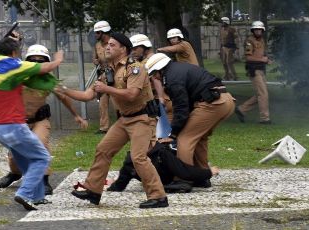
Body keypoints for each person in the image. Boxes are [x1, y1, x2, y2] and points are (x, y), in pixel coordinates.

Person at [62, 32, 168, 209]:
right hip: (125, 119)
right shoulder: (109, 71)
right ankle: (93, 190)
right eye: (107, 45)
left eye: (112, 45)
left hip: (142, 118)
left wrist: (106, 89)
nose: (107, 47)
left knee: (138, 157)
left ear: (123, 49)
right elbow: (88, 95)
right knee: (103, 149)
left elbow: (132, 95)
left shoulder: (135, 68)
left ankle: (158, 196)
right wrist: (64, 90)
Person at [0, 17, 63, 210]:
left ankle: (37, 196)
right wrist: (59, 59)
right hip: (14, 125)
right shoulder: (15, 65)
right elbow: (45, 67)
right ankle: (24, 193)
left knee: (27, 160)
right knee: (41, 158)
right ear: (14, 53)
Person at [0, 44, 89, 194]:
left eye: (41, 61)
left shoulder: (48, 80)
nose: (37, 64)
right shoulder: (19, 75)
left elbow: (63, 97)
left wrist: (76, 115)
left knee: (41, 146)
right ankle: (15, 173)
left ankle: (44, 179)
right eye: (33, 60)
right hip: (19, 122)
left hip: (39, 119)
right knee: (14, 152)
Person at [145, 53, 235, 193]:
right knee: (199, 137)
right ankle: (202, 176)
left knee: (185, 138)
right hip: (225, 100)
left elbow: (181, 108)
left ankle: (183, 180)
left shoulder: (172, 79)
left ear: (159, 70)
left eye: (153, 74)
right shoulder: (177, 69)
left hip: (212, 103)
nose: (154, 78)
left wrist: (174, 133)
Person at [235, 21, 272, 124]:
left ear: (262, 30)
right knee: (263, 94)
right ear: (253, 30)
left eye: (260, 29)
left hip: (261, 69)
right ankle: (265, 119)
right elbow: (248, 57)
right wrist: (263, 59)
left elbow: (261, 56)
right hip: (254, 70)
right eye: (256, 29)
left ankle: (241, 109)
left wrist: (267, 60)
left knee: (260, 94)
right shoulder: (249, 41)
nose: (258, 31)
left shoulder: (262, 40)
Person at [92, 21, 112, 134]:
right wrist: (95, 61)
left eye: (97, 32)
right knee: (102, 102)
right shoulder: (97, 45)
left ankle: (123, 124)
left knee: (118, 100)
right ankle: (104, 127)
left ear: (104, 32)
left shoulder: (114, 43)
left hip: (115, 74)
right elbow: (95, 58)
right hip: (102, 75)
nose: (95, 35)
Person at [220, 17, 239, 81]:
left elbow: (236, 38)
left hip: (230, 47)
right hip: (224, 47)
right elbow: (222, 39)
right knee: (224, 62)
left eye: (222, 22)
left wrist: (236, 47)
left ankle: (235, 76)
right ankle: (227, 75)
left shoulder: (232, 29)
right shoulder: (222, 29)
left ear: (226, 22)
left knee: (229, 62)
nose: (221, 23)